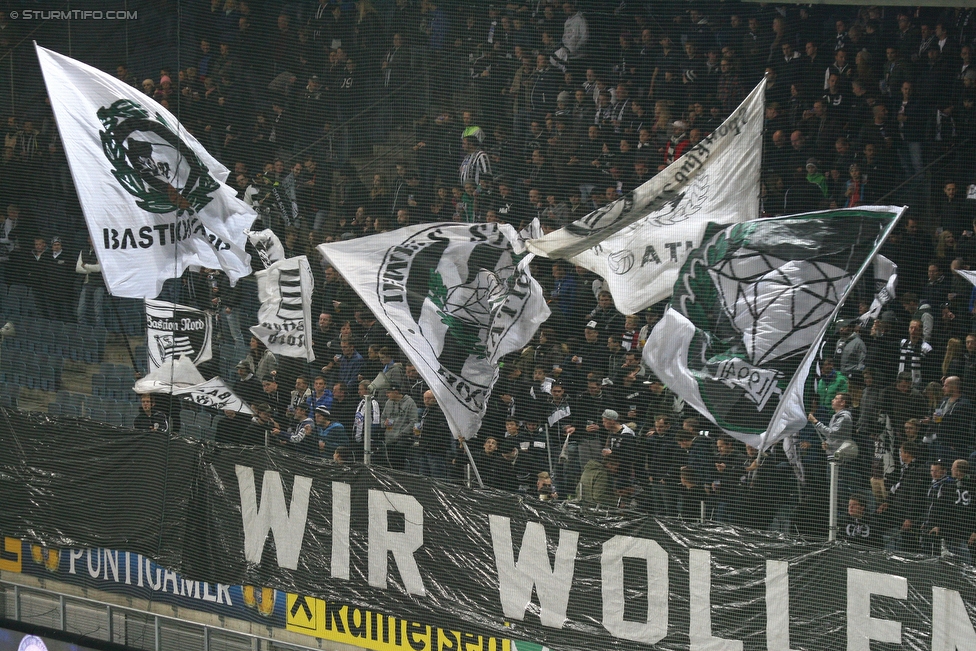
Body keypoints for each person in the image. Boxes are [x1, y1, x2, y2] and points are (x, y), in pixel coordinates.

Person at [380, 383, 417, 470]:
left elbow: (414, 421)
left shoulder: (410, 402)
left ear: (396, 392)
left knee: (397, 454)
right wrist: (384, 423)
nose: (387, 395)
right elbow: (383, 418)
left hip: (403, 438)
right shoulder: (388, 403)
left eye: (388, 392)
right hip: (389, 437)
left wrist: (402, 433)